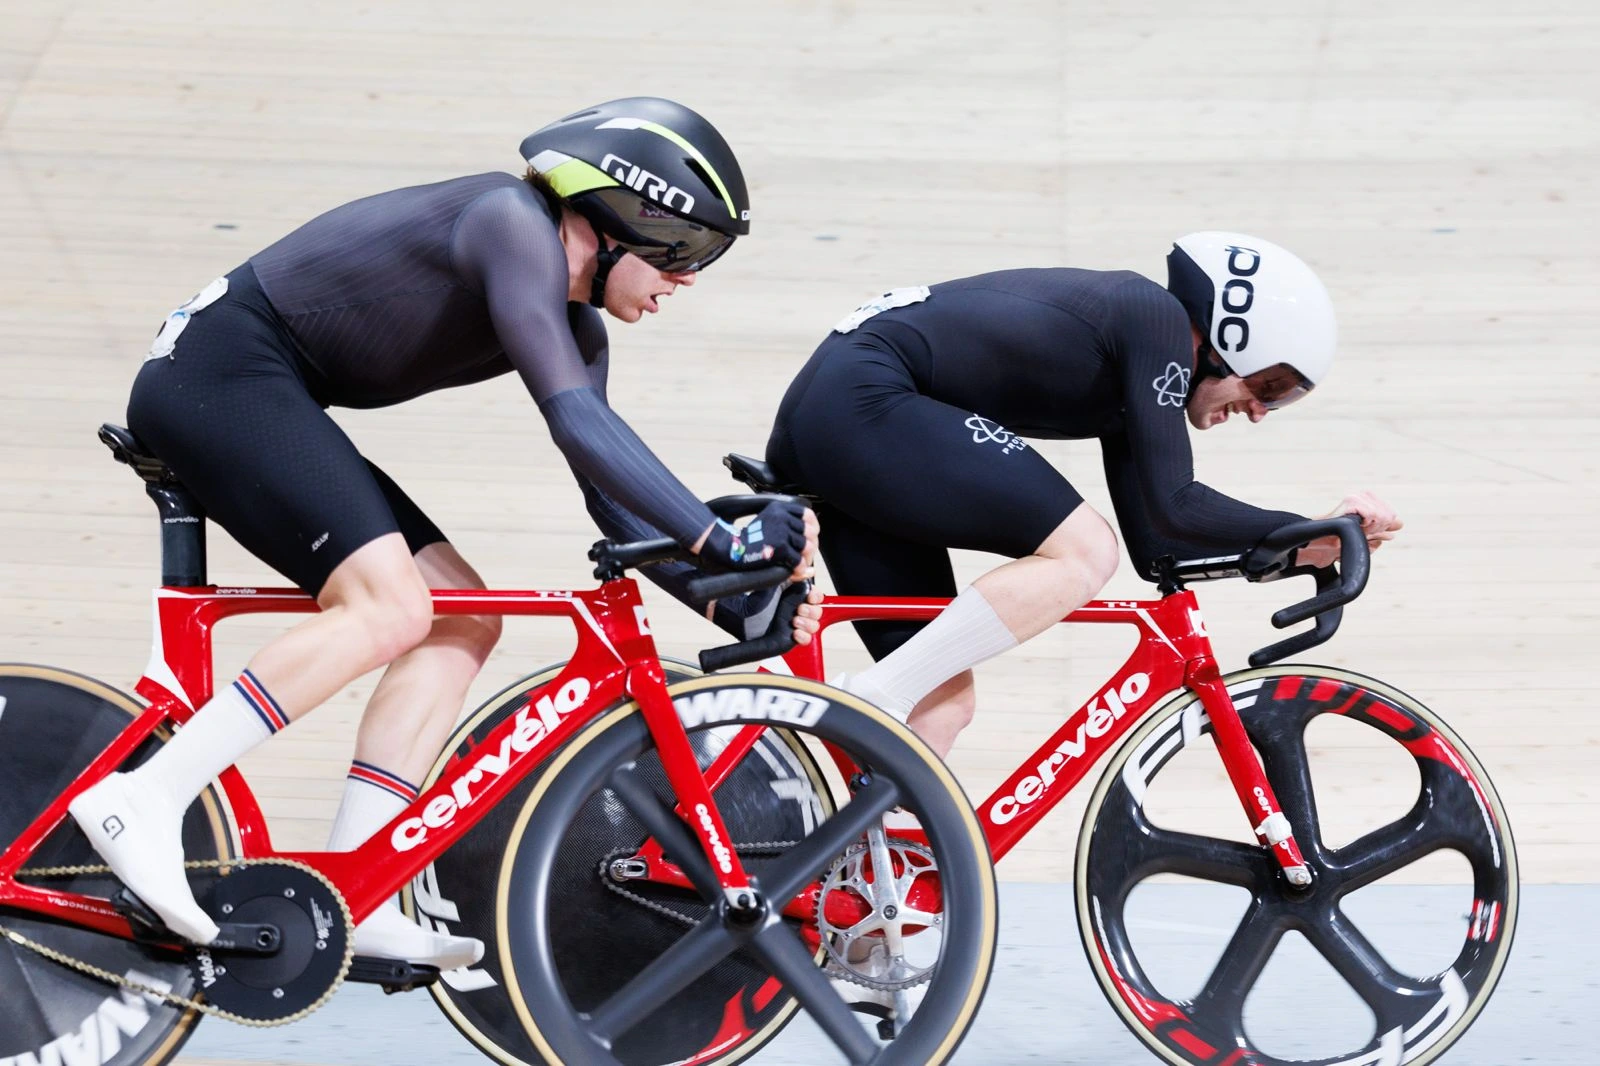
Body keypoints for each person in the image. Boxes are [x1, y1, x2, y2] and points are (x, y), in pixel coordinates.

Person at [67, 97, 818, 968]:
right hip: (221, 372)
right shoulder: (510, 223)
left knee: (462, 615)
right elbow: (578, 425)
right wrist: (721, 543)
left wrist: (734, 601)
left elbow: (609, 499)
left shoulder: (572, 321)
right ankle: (148, 798)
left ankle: (361, 880)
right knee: (388, 607)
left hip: (265, 390)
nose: (686, 281)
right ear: (622, 214)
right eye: (685, 252)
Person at [766, 232, 1402, 759]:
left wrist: (1300, 549)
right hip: (864, 402)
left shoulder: (1137, 379)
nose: (1263, 410)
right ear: (1231, 334)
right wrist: (1303, 525)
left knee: (941, 707)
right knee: (1085, 550)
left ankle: (854, 885)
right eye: (1270, 383)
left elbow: (1160, 545)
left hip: (844, 421)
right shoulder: (1152, 315)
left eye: (1282, 398)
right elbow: (1177, 503)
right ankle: (870, 695)